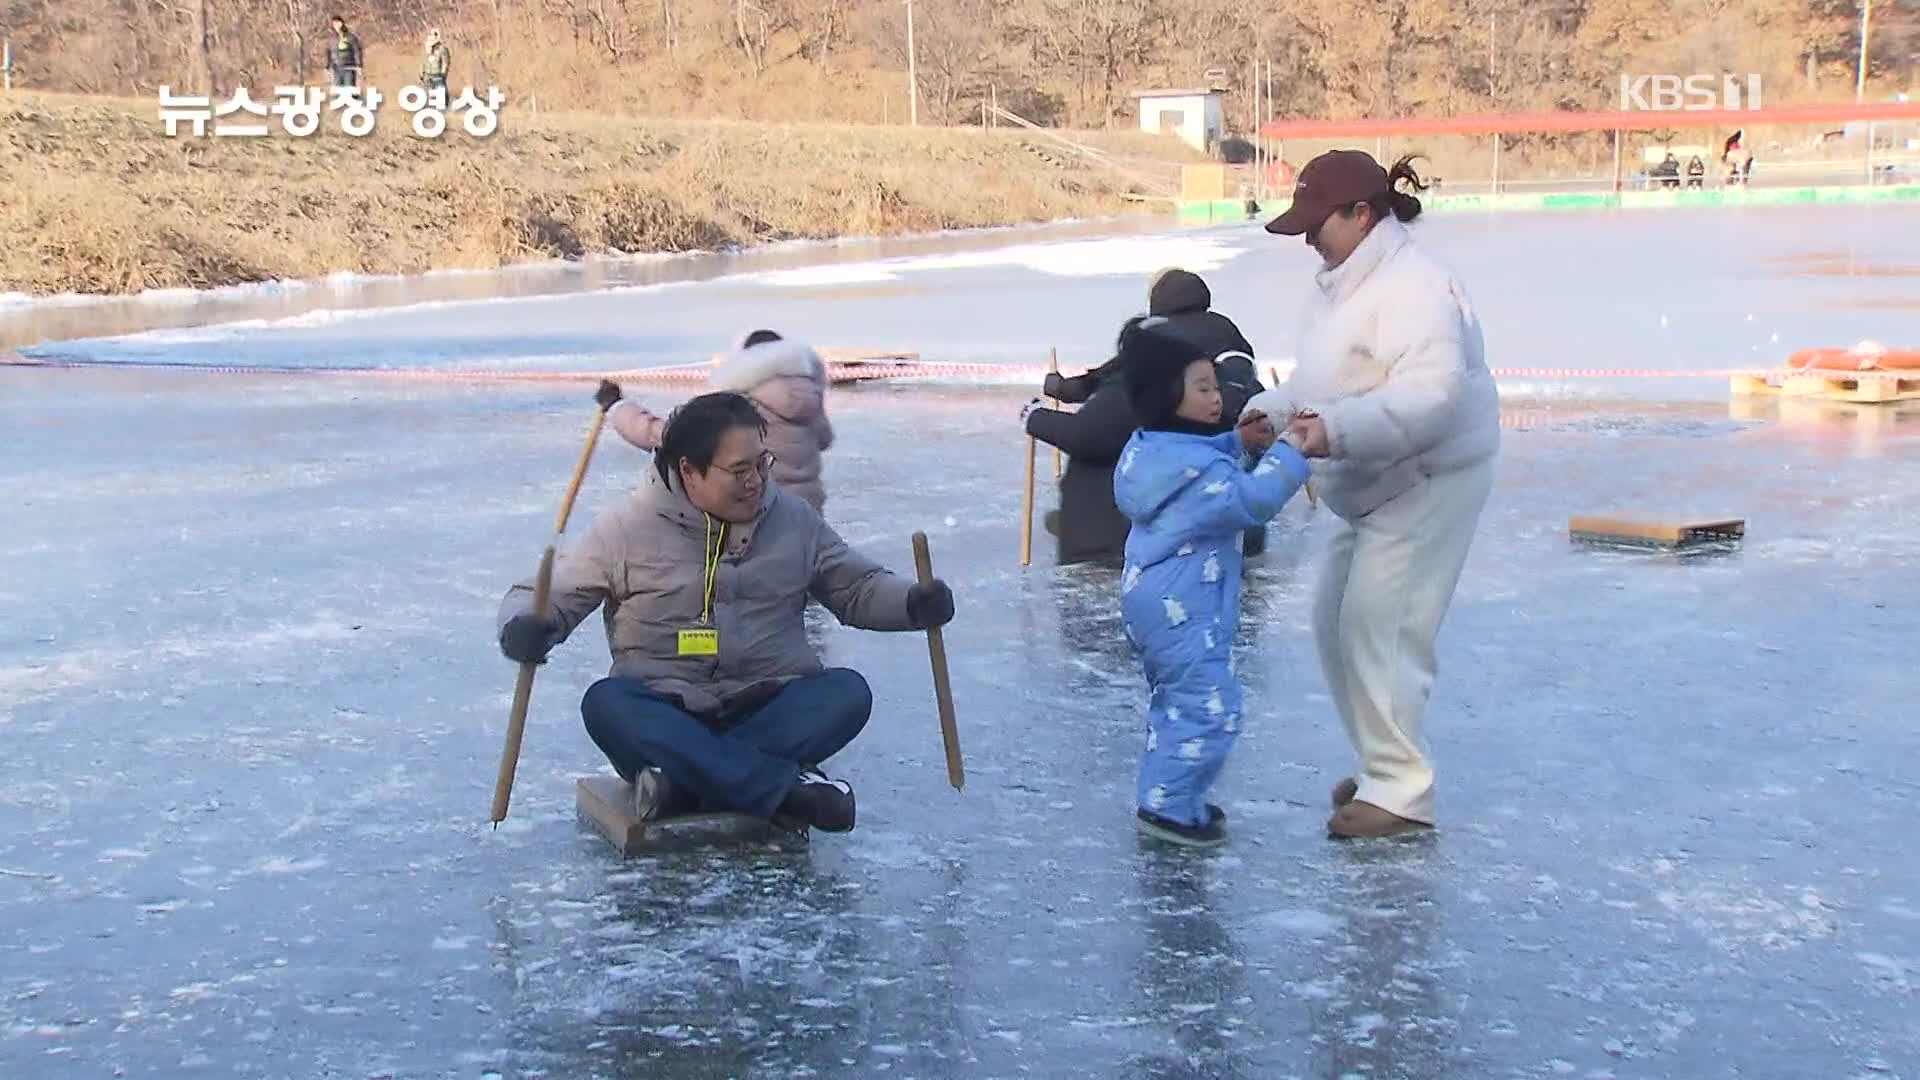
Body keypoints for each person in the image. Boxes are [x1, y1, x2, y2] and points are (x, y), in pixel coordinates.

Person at [495, 392, 956, 834]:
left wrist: (912, 602)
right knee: (606, 705)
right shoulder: (627, 527)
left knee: (847, 693)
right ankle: (784, 790)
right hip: (666, 710)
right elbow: (550, 594)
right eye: (738, 470)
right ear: (689, 471)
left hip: (770, 703)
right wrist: (527, 626)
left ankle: (685, 782)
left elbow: (857, 587)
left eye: (761, 463)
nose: (756, 480)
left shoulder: (793, 520)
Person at [1248, 149, 1500, 839]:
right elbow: (1325, 380)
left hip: (1427, 477)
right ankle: (1381, 764)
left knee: (1382, 626)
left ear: (1363, 214)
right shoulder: (1343, 283)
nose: (1306, 238)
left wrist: (1330, 430)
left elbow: (1433, 397)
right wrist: (1273, 414)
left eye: (1316, 221)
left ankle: (1401, 790)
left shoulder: (1417, 287)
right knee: (1334, 620)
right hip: (1367, 482)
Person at [1113, 316, 1310, 847]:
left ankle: (1169, 794)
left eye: (1215, 385)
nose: (1216, 396)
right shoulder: (1203, 477)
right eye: (1201, 388)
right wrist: (1294, 451)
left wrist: (1235, 440)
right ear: (1166, 397)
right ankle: (1169, 807)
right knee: (1211, 709)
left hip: (1157, 600)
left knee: (1178, 702)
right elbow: (1250, 500)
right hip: (1182, 607)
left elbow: (1198, 459)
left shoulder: (1156, 452)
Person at [1023, 268, 1267, 565]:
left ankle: (1096, 532)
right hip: (1231, 520)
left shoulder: (1158, 351)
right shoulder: (1228, 339)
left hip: (1149, 541)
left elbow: (1091, 433)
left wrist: (1034, 415)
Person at [707, 330, 835, 513]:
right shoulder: (810, 390)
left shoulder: (743, 394)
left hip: (766, 497)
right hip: (810, 497)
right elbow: (825, 439)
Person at [327, 15, 363, 90]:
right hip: (337, 68)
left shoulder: (351, 37)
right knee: (338, 91)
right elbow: (329, 52)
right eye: (334, 24)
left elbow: (357, 51)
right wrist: (327, 66)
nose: (336, 26)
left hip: (349, 67)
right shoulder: (332, 38)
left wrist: (359, 65)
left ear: (342, 23)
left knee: (349, 89)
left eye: (338, 23)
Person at [421, 29, 451, 100]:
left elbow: (445, 62)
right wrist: (422, 72)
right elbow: (424, 62)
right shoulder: (428, 49)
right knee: (431, 93)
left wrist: (443, 73)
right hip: (428, 74)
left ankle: (443, 106)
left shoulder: (442, 49)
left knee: (440, 93)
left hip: (438, 74)